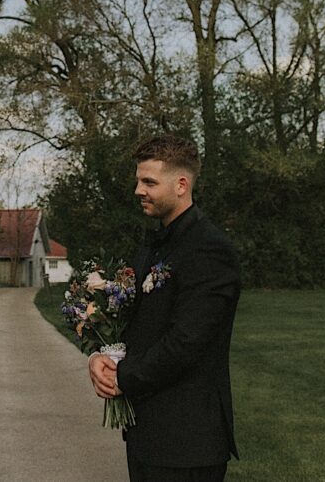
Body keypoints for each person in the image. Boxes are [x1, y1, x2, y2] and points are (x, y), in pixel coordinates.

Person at [88, 134, 240, 481]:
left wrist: (123, 377)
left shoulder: (209, 249)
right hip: (148, 432)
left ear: (181, 184)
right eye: (139, 180)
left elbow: (187, 342)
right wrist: (102, 356)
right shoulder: (153, 246)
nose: (138, 190)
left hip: (187, 440)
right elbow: (136, 322)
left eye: (149, 182)